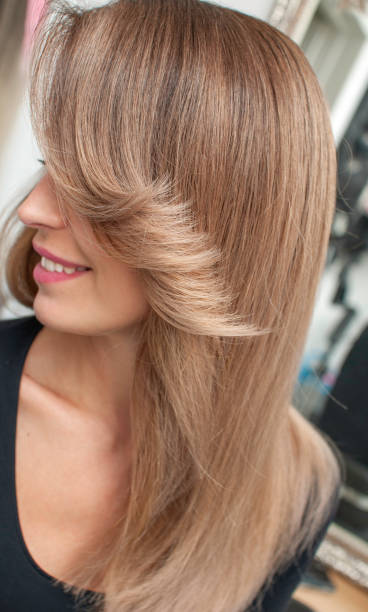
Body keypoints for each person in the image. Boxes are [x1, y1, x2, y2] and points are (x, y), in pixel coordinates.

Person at [0, 1, 343, 611]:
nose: (34, 209)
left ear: (224, 228)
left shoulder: (294, 487)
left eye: (93, 188)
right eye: (52, 164)